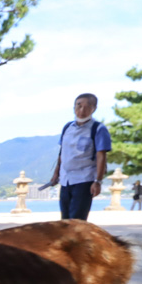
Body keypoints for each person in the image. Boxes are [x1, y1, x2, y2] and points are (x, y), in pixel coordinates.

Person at [48, 93, 111, 221]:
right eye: (79, 105)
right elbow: (62, 153)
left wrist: (97, 181)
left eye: (87, 107)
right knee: (64, 220)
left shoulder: (98, 129)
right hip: (66, 180)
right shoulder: (67, 127)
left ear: (94, 108)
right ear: (74, 107)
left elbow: (101, 156)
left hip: (84, 180)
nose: (82, 110)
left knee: (77, 221)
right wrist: (56, 174)